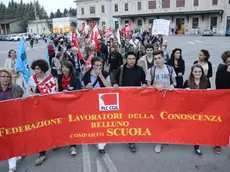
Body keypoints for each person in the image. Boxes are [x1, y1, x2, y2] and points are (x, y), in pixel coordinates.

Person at [113, 52, 147, 153]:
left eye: (133, 58)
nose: (131, 61)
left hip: (136, 98)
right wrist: (114, 84)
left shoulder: (139, 69)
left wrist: (144, 84)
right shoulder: (121, 69)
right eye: (129, 59)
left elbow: (144, 81)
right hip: (123, 98)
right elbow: (114, 79)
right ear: (126, 59)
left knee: (133, 119)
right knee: (125, 118)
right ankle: (128, 138)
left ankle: (131, 138)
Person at [27, 59, 57, 166]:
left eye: (38, 69)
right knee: (40, 130)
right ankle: (42, 153)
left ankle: (54, 142)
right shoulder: (32, 79)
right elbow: (29, 92)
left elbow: (53, 94)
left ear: (43, 69)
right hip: (37, 108)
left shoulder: (51, 80)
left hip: (49, 108)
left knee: (51, 127)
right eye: (35, 69)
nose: (36, 71)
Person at [146, 50, 177, 153]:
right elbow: (148, 86)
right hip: (155, 99)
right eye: (155, 59)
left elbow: (175, 82)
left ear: (164, 58)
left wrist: (173, 85)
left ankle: (165, 137)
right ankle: (158, 141)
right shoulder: (151, 70)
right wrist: (155, 86)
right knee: (158, 120)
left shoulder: (170, 69)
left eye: (159, 58)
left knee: (167, 119)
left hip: (168, 98)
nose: (157, 60)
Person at [82, 57, 111, 154]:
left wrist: (101, 76)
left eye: (100, 65)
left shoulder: (105, 74)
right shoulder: (86, 75)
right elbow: (81, 88)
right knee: (94, 121)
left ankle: (101, 145)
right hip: (91, 102)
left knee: (103, 122)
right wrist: (86, 87)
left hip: (103, 101)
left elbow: (109, 86)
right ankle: (96, 138)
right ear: (93, 65)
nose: (98, 67)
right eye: (96, 65)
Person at [183, 64, 210, 157]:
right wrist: (185, 91)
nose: (198, 73)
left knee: (198, 128)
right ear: (192, 73)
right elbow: (180, 96)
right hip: (189, 109)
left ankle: (196, 146)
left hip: (202, 109)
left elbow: (210, 96)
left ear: (202, 73)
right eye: (195, 72)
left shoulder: (206, 81)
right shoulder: (187, 82)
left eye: (199, 72)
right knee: (190, 127)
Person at [0, 69, 24, 172]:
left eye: (8, 77)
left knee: (11, 141)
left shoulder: (16, 88)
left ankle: (12, 166)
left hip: (12, 120)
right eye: (3, 76)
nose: (6, 79)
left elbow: (24, 100)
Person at [214, 50, 230, 155]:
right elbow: (219, 86)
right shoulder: (221, 70)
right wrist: (228, 73)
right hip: (224, 101)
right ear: (225, 62)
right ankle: (218, 143)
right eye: (229, 62)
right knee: (221, 122)